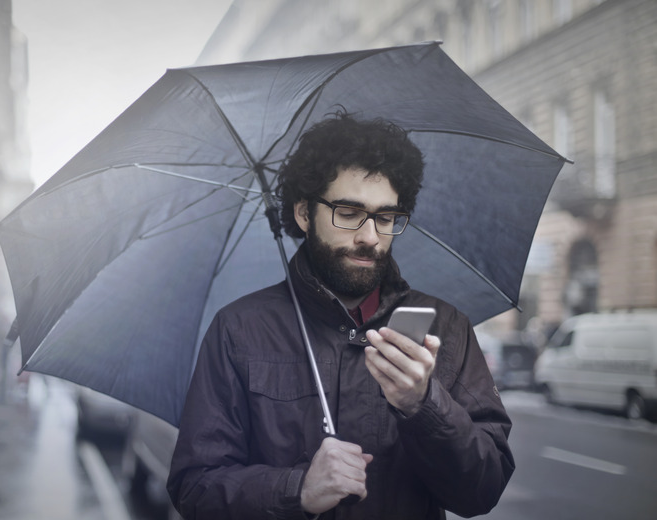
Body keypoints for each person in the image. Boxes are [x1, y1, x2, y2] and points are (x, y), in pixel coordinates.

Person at [167, 113, 514, 519]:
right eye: (348, 213)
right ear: (303, 214)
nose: (369, 236)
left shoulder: (446, 326)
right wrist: (297, 489)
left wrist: (423, 405)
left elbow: (482, 490)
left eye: (385, 218)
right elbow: (194, 489)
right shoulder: (239, 330)